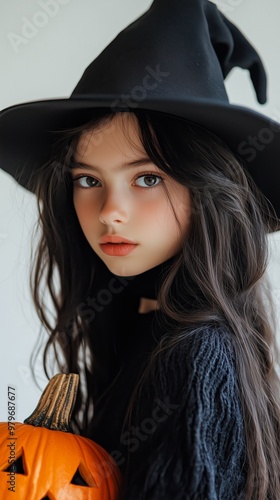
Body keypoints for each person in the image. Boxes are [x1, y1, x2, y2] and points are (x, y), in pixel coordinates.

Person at [1, 1, 280, 498]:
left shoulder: (197, 356)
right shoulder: (139, 327)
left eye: (147, 178)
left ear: (208, 193)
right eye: (88, 179)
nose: (110, 211)